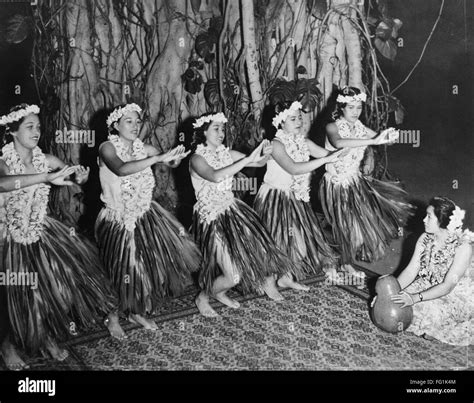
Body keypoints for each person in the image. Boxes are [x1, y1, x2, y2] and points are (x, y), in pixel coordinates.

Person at [0, 104, 125, 365]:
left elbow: (71, 177)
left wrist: (80, 177)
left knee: (57, 289)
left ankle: (46, 337)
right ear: (12, 131)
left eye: (39, 127)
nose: (37, 132)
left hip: (41, 232)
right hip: (8, 238)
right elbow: (3, 183)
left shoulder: (45, 159)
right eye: (29, 127)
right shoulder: (3, 161)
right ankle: (7, 346)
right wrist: (46, 176)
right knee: (13, 297)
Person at [95, 103, 200, 330]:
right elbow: (122, 169)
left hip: (145, 214)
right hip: (118, 219)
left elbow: (169, 160)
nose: (135, 126)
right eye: (129, 121)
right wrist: (158, 158)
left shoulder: (143, 148)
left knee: (144, 268)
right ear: (115, 125)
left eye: (138, 121)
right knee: (120, 268)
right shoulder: (106, 147)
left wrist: (175, 157)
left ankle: (136, 311)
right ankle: (111, 315)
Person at [189, 112, 299, 317]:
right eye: (216, 128)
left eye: (223, 129)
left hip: (234, 211)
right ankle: (203, 297)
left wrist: (265, 154)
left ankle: (220, 292)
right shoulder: (196, 159)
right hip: (211, 218)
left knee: (256, 254)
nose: (221, 133)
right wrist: (248, 158)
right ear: (203, 131)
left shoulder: (227, 154)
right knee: (234, 276)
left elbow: (257, 163)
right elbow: (214, 175)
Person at [319, 86, 414, 277]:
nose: (355, 112)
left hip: (355, 182)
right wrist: (373, 141)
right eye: (351, 107)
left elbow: (381, 139)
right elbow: (339, 143)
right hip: (336, 184)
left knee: (357, 226)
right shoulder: (333, 126)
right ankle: (333, 262)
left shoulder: (360, 127)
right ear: (342, 107)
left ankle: (343, 261)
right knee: (344, 224)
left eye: (359, 108)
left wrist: (390, 136)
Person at [253, 101, 344, 285]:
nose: (299, 121)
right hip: (274, 199)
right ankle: (268, 283)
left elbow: (326, 154)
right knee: (277, 244)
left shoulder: (303, 142)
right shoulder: (276, 145)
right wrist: (327, 159)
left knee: (299, 247)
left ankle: (285, 278)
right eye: (293, 118)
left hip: (294, 197)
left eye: (299, 118)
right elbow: (294, 168)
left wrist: (345, 149)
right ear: (280, 122)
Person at [391, 197, 473, 346]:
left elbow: (448, 286)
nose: (423, 220)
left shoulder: (463, 247)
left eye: (429, 216)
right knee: (398, 302)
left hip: (455, 294)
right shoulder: (425, 238)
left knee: (427, 314)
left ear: (442, 221)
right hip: (428, 283)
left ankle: (438, 329)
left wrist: (415, 298)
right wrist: (390, 292)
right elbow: (411, 271)